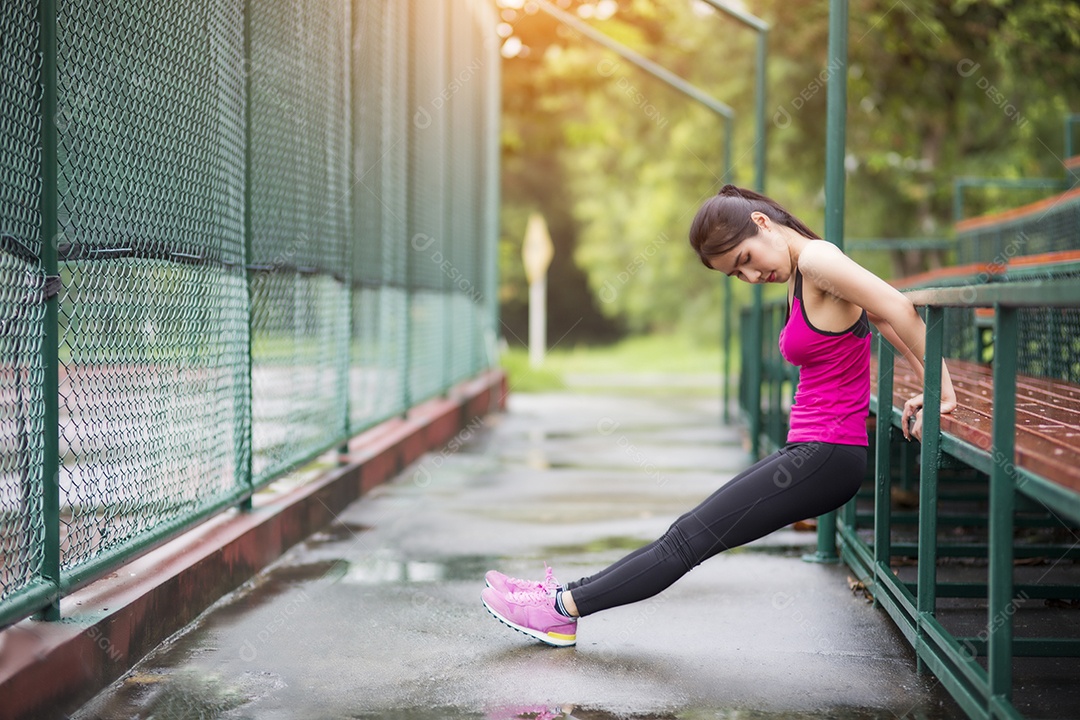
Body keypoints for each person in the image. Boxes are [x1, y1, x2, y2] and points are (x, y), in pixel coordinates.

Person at [481, 184, 957, 647]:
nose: (750, 276)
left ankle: (560, 610)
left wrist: (941, 392)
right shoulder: (804, 271)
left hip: (826, 454)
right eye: (736, 274)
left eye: (745, 259)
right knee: (686, 533)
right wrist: (928, 384)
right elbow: (882, 317)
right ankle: (562, 598)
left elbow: (896, 305)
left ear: (762, 222)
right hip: (815, 453)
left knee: (687, 540)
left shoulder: (816, 259)